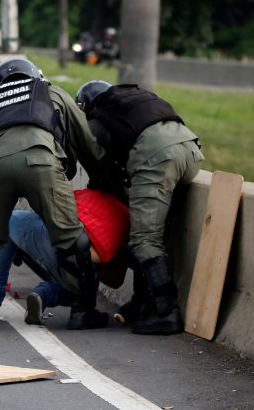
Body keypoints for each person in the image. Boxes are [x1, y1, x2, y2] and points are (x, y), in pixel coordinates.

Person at [0, 58, 119, 331]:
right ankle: (82, 312)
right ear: (36, 76)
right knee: (70, 239)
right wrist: (106, 181)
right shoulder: (51, 92)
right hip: (42, 163)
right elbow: (88, 144)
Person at [75, 80, 204, 335]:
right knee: (157, 236)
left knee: (144, 240)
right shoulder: (136, 99)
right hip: (190, 152)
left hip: (157, 159)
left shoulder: (98, 118)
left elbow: (101, 170)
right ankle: (143, 304)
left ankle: (167, 313)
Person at [0, 188, 131, 326]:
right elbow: (115, 281)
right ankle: (44, 293)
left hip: (52, 236)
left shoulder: (86, 194)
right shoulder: (128, 220)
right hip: (82, 258)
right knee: (78, 285)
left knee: (9, 220)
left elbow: (50, 210)